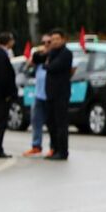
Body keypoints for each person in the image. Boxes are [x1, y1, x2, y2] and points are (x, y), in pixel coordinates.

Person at [45, 28, 73, 161]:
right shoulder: (51, 52)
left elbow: (52, 67)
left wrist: (47, 65)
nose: (55, 42)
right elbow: (38, 60)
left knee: (61, 124)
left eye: (57, 39)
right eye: (53, 40)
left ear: (63, 39)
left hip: (61, 94)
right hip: (50, 93)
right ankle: (54, 148)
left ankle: (62, 151)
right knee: (51, 123)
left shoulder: (66, 53)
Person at [23, 35, 51, 157]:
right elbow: (27, 68)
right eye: (43, 42)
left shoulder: (54, 55)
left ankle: (54, 147)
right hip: (39, 94)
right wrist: (33, 58)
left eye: (48, 42)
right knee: (36, 121)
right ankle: (36, 145)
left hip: (50, 96)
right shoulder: (39, 57)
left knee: (52, 123)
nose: (46, 44)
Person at [0, 32, 16, 158]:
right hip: (2, 96)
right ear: (9, 41)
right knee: (1, 123)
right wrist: (7, 94)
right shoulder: (1, 56)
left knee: (1, 123)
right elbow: (4, 77)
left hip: (0, 95)